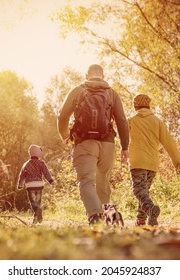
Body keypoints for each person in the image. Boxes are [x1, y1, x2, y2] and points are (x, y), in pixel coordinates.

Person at [57, 64, 129, 225]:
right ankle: (109, 214)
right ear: (103, 75)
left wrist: (65, 136)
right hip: (108, 143)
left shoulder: (77, 90)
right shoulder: (112, 93)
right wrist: (125, 147)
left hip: (85, 141)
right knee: (103, 180)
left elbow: (62, 117)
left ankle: (95, 214)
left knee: (86, 180)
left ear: (86, 75)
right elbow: (122, 121)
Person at [128, 94, 180, 226]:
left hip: (137, 161)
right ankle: (141, 220)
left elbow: (122, 138)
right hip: (152, 163)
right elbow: (169, 143)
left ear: (135, 105)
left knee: (138, 190)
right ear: (149, 105)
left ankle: (150, 209)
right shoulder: (157, 122)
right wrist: (178, 162)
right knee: (144, 191)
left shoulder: (130, 120)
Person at [17, 144, 55, 224]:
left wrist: (20, 185)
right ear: (38, 153)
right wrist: (51, 180)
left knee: (33, 202)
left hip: (30, 186)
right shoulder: (41, 163)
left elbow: (22, 175)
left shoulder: (26, 164)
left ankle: (37, 215)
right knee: (38, 202)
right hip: (39, 185)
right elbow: (46, 173)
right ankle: (37, 216)